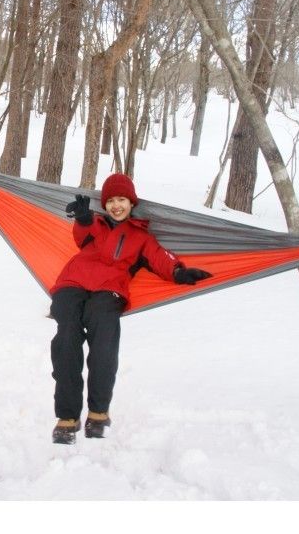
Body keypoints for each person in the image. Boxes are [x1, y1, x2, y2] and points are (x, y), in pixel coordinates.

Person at [50, 174, 211, 444]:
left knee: (104, 346)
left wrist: (179, 272)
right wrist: (83, 220)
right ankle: (67, 417)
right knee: (66, 341)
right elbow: (81, 238)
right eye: (110, 200)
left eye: (121, 200)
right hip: (72, 283)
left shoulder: (141, 237)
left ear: (131, 203)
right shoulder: (95, 223)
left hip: (108, 291)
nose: (115, 206)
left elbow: (160, 258)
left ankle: (98, 412)